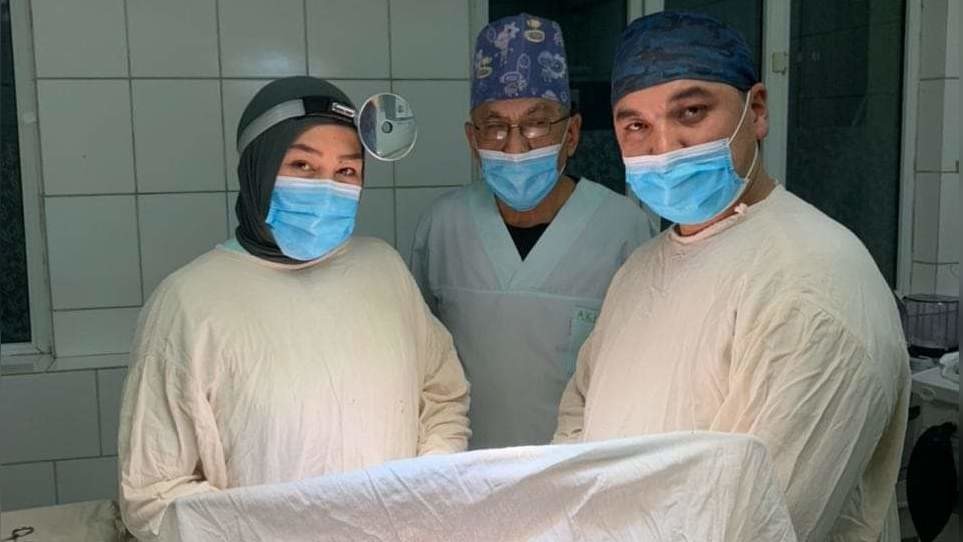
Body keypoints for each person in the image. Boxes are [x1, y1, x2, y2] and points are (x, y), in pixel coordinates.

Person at [553, 12, 910, 541]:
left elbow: (755, 522)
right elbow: (576, 424)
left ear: (756, 110)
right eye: (637, 126)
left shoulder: (813, 283)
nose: (665, 147)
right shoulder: (641, 271)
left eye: (691, 112)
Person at [117, 76, 470, 541]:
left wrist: (426, 484)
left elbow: (442, 395)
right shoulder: (188, 303)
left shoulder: (383, 270)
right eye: (302, 165)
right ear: (258, 168)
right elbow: (154, 493)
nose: (326, 188)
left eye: (347, 171)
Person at [411, 13, 656, 449]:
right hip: (463, 467)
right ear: (472, 140)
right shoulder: (443, 227)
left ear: (572, 133)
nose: (515, 146)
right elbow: (421, 366)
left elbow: (645, 372)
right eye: (495, 127)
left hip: (579, 470)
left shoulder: (623, 229)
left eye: (536, 124)